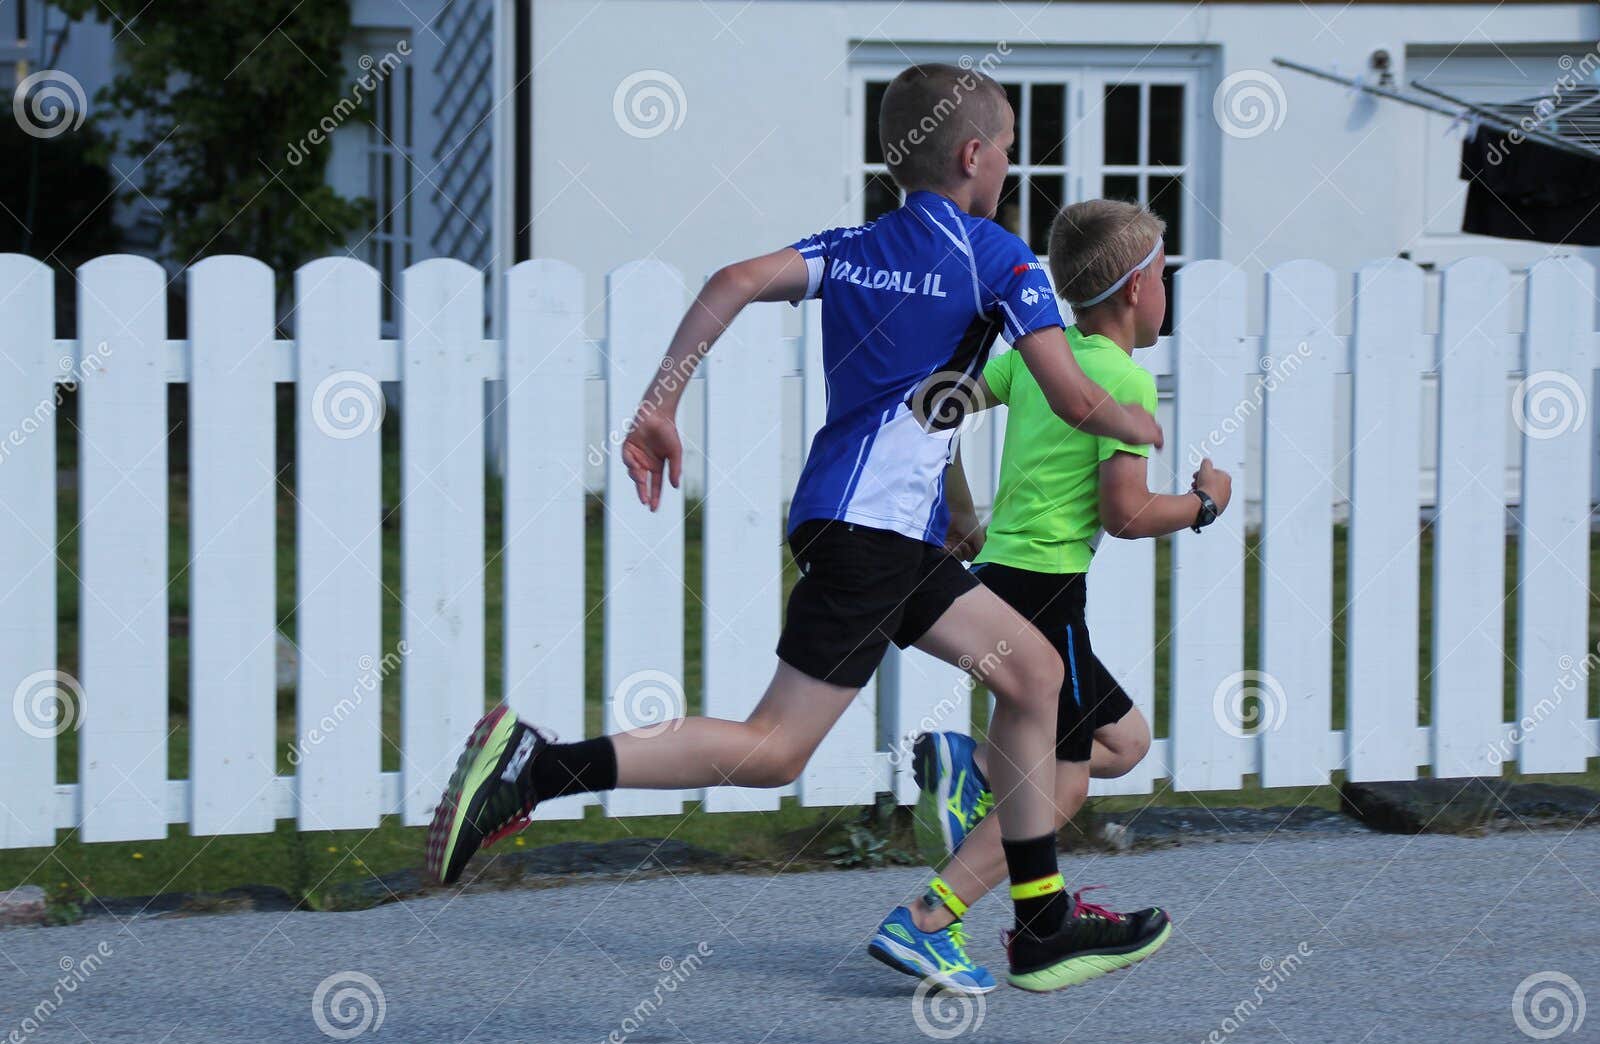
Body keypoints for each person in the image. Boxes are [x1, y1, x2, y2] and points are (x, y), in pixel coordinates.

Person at [425, 65, 1165, 993]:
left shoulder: (854, 245)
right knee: (776, 749)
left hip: (867, 530)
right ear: (973, 155)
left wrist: (660, 405)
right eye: (1009, 146)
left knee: (1035, 675)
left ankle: (1043, 919)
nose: (1010, 164)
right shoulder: (998, 257)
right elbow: (1070, 391)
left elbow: (733, 280)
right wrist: (1135, 421)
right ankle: (537, 769)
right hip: (874, 537)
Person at [868, 198, 1233, 993]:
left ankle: (976, 778)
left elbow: (933, 406)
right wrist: (1206, 504)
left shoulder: (1043, 354)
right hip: (1045, 595)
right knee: (1063, 785)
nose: (1169, 288)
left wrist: (958, 510)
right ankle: (928, 917)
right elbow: (1127, 513)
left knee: (1125, 742)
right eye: (1165, 273)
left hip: (1005, 581)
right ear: (1137, 289)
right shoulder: (1122, 376)